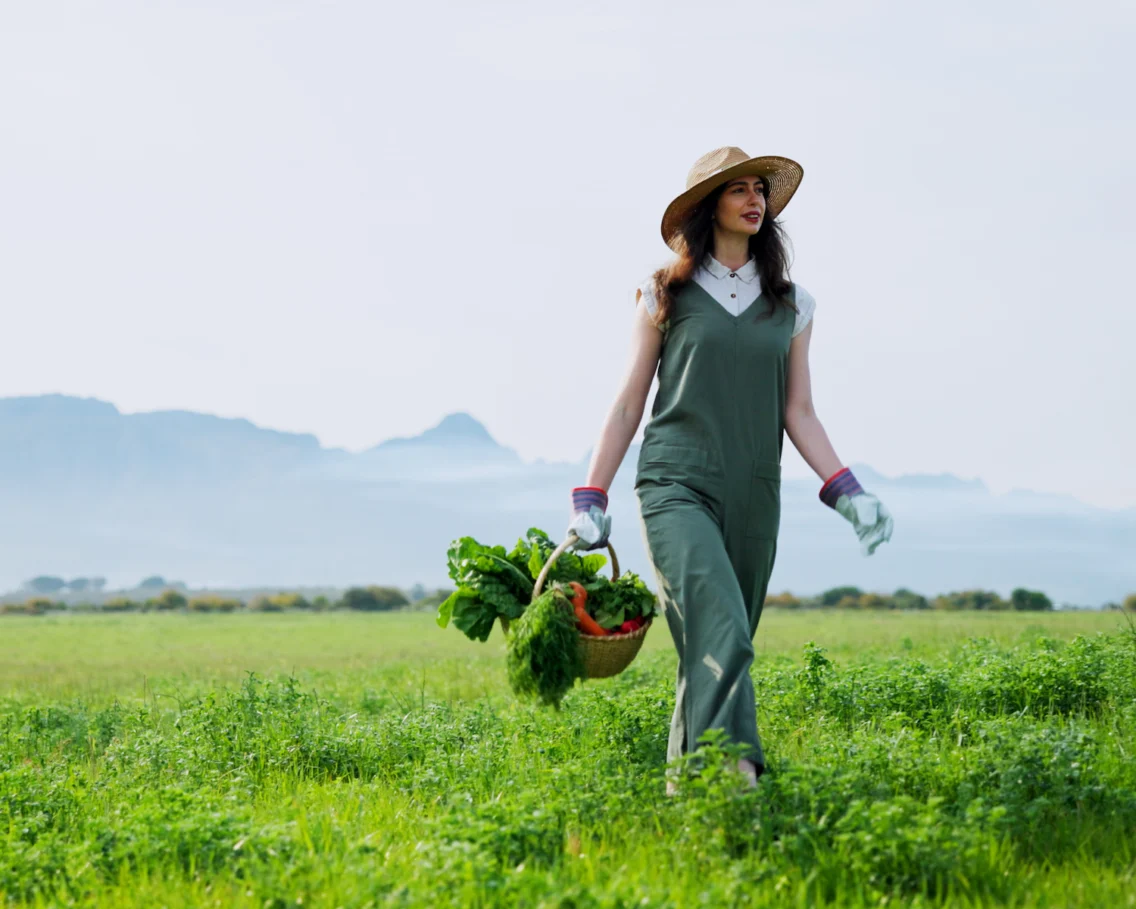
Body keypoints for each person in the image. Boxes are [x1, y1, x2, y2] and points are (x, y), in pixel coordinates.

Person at [565, 146, 894, 794]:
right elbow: (630, 399)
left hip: (754, 493)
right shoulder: (667, 290)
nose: (754, 199)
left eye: (759, 190)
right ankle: (741, 775)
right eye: (737, 189)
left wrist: (847, 490)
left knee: (714, 646)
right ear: (706, 206)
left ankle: (685, 791)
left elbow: (799, 411)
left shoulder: (793, 304)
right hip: (673, 483)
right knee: (723, 625)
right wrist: (589, 492)